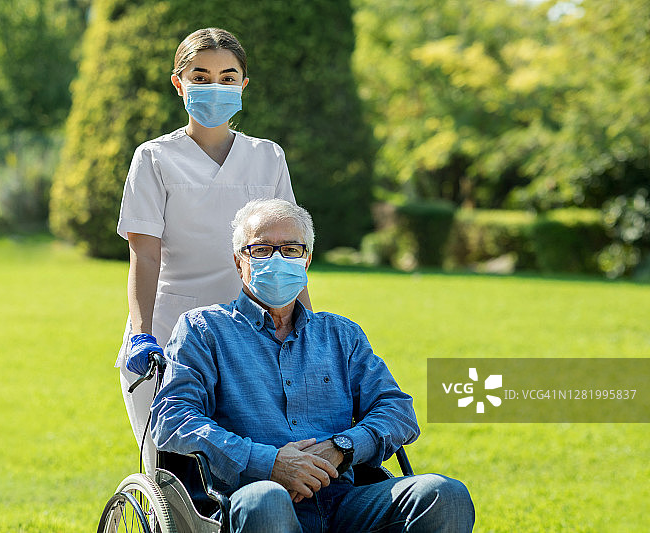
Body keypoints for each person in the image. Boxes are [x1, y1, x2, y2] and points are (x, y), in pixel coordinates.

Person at [151, 199, 475, 532]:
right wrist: (270, 463)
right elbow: (173, 419)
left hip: (345, 501)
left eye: (291, 249)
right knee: (267, 500)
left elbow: (397, 410)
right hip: (253, 500)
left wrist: (342, 447)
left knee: (444, 494)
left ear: (306, 260)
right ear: (239, 262)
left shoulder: (341, 334)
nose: (278, 259)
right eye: (261, 249)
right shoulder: (204, 330)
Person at [116, 28, 309, 472]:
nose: (214, 87)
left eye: (227, 77)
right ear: (179, 83)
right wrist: (142, 333)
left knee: (252, 470)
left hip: (252, 338)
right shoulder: (154, 158)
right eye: (200, 76)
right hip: (165, 338)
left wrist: (308, 329)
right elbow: (145, 255)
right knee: (174, 474)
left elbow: (290, 251)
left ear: (243, 86)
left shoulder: (268, 158)